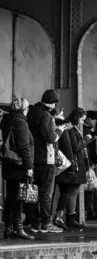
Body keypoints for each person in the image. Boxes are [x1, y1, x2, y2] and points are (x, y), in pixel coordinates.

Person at [27, 89, 69, 233]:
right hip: (47, 160)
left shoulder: (31, 113)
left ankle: (35, 223)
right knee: (46, 194)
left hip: (33, 158)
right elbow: (50, 138)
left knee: (34, 192)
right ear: (54, 103)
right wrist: (60, 130)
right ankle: (46, 223)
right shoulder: (46, 115)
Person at [54, 108, 94, 229]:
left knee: (69, 191)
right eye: (82, 119)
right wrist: (87, 139)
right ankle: (63, 217)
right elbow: (75, 147)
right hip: (71, 165)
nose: (82, 122)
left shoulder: (69, 128)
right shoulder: (70, 129)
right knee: (69, 192)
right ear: (77, 117)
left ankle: (64, 216)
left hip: (69, 164)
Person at [1, 98, 35, 240]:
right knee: (18, 198)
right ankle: (18, 229)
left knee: (10, 196)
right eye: (27, 109)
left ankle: (9, 228)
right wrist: (29, 167)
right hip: (18, 164)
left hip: (8, 162)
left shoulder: (6, 120)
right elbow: (24, 147)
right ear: (23, 109)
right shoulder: (21, 123)